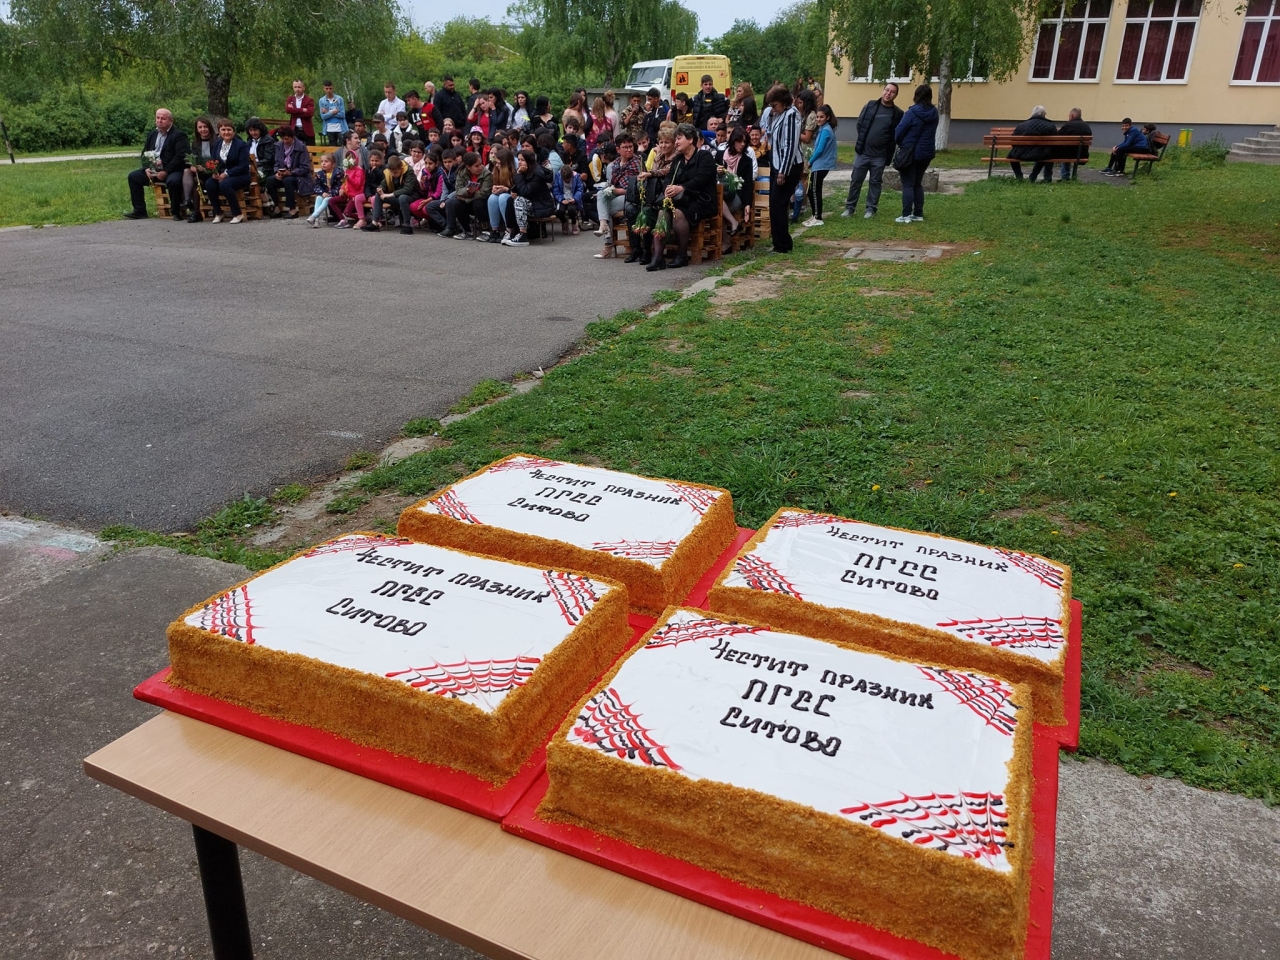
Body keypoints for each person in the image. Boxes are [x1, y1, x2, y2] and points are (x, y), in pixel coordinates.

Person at [647, 123, 716, 271]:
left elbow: (700, 180)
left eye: (679, 138)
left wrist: (681, 187)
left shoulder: (704, 156)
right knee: (662, 212)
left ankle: (682, 254)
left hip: (701, 200)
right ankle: (657, 257)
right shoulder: (678, 159)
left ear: (690, 139)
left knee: (677, 214)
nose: (676, 142)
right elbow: (668, 178)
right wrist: (668, 188)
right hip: (681, 200)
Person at [842, 82, 903, 219]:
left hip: (880, 156)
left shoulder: (898, 113)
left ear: (896, 95)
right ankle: (850, 208)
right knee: (856, 180)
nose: (888, 93)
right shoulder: (870, 105)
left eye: (892, 92)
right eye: (887, 90)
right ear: (883, 90)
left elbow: (896, 134)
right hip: (863, 152)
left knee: (875, 182)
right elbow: (860, 124)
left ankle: (871, 209)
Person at [125, 108, 189, 220]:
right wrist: (146, 168)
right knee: (133, 177)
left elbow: (180, 156)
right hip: (154, 170)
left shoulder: (179, 135)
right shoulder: (153, 134)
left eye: (163, 119)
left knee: (173, 182)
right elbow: (144, 153)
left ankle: (176, 212)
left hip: (172, 170)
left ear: (171, 121)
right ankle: (139, 211)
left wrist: (166, 171)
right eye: (157, 118)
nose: (159, 121)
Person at [763, 86, 802, 254]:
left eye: (775, 105)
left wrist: (783, 171)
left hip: (788, 166)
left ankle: (783, 245)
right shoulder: (779, 114)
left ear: (784, 102)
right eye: (771, 105)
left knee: (778, 203)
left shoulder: (792, 115)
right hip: (777, 163)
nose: (773, 108)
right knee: (775, 203)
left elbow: (790, 145)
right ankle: (779, 241)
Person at [894, 85, 939, 223]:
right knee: (917, 183)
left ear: (916, 96)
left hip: (910, 152)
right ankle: (918, 214)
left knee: (908, 184)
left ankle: (906, 215)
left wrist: (901, 143)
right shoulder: (934, 113)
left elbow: (899, 132)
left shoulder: (912, 112)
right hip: (926, 153)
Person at [502, 148, 554, 246]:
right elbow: (520, 188)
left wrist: (518, 175)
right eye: (518, 159)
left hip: (542, 206)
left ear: (529, 162)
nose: (519, 162)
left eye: (522, 160)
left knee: (519, 200)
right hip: (532, 203)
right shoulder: (526, 171)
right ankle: (509, 232)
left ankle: (523, 235)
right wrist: (513, 191)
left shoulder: (537, 174)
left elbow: (526, 192)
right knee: (510, 200)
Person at [203, 118, 252, 224]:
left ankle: (237, 214)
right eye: (223, 130)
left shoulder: (241, 145)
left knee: (225, 184)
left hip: (240, 175)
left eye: (229, 129)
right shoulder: (217, 144)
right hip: (222, 175)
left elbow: (243, 165)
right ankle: (218, 213)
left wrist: (226, 174)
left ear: (233, 131)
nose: (226, 132)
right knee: (209, 183)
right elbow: (214, 161)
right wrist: (214, 172)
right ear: (219, 132)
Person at [263, 127, 313, 219]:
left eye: (287, 139)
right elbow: (277, 163)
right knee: (270, 180)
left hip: (300, 177)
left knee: (288, 180)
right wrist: (277, 172)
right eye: (282, 139)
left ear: (292, 137)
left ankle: (292, 209)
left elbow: (305, 168)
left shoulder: (301, 147)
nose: (285, 141)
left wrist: (291, 172)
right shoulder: (279, 146)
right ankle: (277, 207)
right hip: (284, 174)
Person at [442, 150, 492, 239]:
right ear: (468, 167)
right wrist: (468, 191)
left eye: (480, 164)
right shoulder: (461, 173)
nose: (480, 167)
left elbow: (485, 192)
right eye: (476, 166)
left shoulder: (486, 173)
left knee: (478, 203)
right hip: (468, 200)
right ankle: (467, 231)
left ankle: (486, 231)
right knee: (456, 203)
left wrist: (466, 198)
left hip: (481, 202)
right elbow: (458, 190)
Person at [718, 126, 754, 247]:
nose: (742, 144)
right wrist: (716, 171)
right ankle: (730, 232)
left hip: (736, 196)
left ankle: (726, 242)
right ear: (733, 141)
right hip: (720, 194)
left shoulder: (746, 160)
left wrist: (747, 204)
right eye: (739, 141)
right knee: (718, 203)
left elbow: (748, 184)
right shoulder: (720, 155)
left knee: (717, 206)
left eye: (744, 142)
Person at [803, 106, 837, 226]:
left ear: (827, 117)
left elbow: (820, 149)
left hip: (821, 164)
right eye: (817, 117)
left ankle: (818, 217)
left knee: (814, 191)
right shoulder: (823, 129)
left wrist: (810, 161)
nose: (818, 119)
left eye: (821, 117)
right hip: (819, 164)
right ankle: (814, 215)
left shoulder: (826, 130)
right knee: (810, 190)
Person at [1007, 105, 1057, 182]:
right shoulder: (1050, 126)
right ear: (1043, 114)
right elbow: (1055, 143)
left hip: (1022, 154)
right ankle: (1039, 177)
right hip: (1043, 154)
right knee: (1049, 153)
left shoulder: (1022, 125)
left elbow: (1013, 141)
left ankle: (1019, 176)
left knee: (1011, 155)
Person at [182, 116, 217, 222]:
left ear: (209, 127)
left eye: (205, 127)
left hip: (213, 172)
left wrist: (205, 168)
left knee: (195, 181)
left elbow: (218, 159)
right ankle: (188, 201)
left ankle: (194, 210)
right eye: (200, 127)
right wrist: (193, 165)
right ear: (197, 129)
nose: (203, 129)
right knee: (187, 171)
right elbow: (193, 159)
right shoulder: (195, 143)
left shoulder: (217, 141)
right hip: (200, 173)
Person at [481, 147, 516, 243]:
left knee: (503, 198)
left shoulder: (514, 173)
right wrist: (494, 188)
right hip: (501, 194)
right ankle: (494, 230)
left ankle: (509, 230)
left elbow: (517, 191)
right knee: (492, 198)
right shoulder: (496, 171)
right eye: (496, 162)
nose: (496, 165)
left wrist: (505, 189)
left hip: (512, 197)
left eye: (499, 163)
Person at [1053, 108, 1092, 181]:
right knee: (1069, 150)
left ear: (1072, 116)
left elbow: (1058, 137)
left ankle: (1065, 176)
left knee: (1066, 151)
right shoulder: (1086, 126)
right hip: (1082, 154)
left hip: (1068, 155)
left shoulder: (1068, 125)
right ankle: (1073, 177)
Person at [307, 153, 344, 227]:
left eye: (326, 161)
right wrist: (322, 193)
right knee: (318, 197)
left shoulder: (338, 173)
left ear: (333, 164)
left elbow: (339, 187)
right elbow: (317, 186)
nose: (323, 163)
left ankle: (314, 216)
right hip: (325, 194)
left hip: (335, 194)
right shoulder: (319, 174)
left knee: (327, 199)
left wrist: (329, 193)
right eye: (322, 161)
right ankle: (316, 221)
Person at [285, 80, 316, 145]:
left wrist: (294, 112)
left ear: (303, 88)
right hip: (294, 130)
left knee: (310, 150)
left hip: (306, 130)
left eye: (299, 87)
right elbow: (288, 110)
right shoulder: (290, 99)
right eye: (295, 87)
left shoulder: (309, 100)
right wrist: (302, 110)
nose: (297, 89)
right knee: (294, 149)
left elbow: (310, 113)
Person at [318, 81, 348, 146]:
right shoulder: (322, 101)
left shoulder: (339, 99)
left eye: (330, 88)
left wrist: (327, 112)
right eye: (327, 88)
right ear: (324, 89)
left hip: (340, 128)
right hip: (329, 128)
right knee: (332, 148)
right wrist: (332, 112)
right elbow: (323, 117)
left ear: (333, 88)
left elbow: (342, 115)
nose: (329, 90)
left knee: (343, 147)